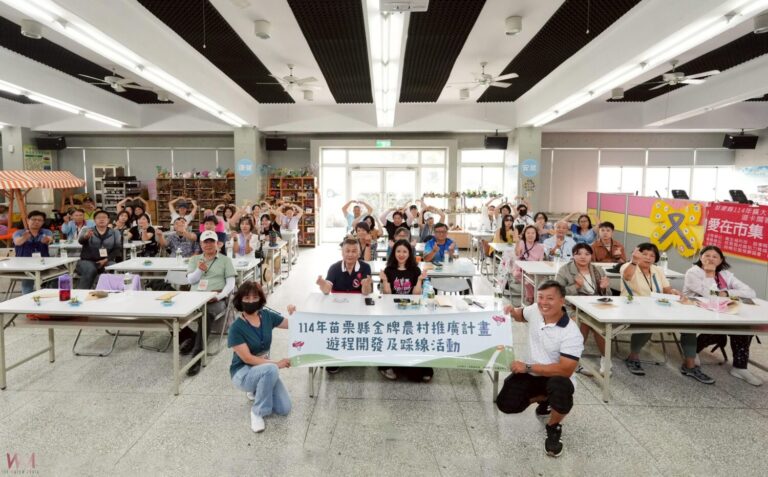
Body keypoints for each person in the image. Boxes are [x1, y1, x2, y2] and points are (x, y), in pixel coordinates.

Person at [496, 281, 583, 458]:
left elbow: (565, 370)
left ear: (562, 301)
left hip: (556, 376)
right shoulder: (536, 310)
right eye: (540, 297)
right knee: (505, 404)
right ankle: (545, 398)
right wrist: (512, 311)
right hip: (531, 374)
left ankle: (553, 426)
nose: (544, 302)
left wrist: (527, 367)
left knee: (560, 388)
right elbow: (521, 315)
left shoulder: (571, 332)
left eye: (550, 298)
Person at [621, 243, 713, 384]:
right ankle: (633, 357)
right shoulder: (628, 266)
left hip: (658, 307)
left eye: (652, 255)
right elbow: (627, 277)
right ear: (636, 254)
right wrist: (634, 261)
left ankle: (690, 365)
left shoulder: (657, 270)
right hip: (634, 307)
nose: (648, 258)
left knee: (689, 326)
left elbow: (666, 289)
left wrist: (673, 292)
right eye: (644, 254)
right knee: (647, 322)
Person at [684, 245, 761, 386]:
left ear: (721, 260)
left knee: (743, 329)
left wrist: (726, 293)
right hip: (698, 311)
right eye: (707, 256)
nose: (711, 259)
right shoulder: (693, 273)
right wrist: (709, 274)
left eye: (715, 257)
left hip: (722, 311)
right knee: (717, 329)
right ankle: (693, 351)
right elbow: (710, 295)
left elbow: (750, 292)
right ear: (700, 257)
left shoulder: (724, 274)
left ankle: (740, 368)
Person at [228, 281, 294, 433]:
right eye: (246, 298)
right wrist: (277, 364)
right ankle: (257, 412)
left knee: (284, 408)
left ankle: (258, 388)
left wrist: (294, 313)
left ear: (260, 299)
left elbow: (292, 324)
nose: (251, 301)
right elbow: (247, 359)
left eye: (255, 297)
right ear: (240, 300)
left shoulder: (267, 316)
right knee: (271, 369)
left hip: (263, 369)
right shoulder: (236, 328)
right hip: (243, 373)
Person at [183, 230, 237, 376]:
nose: (208, 245)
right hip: (194, 298)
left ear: (217, 244)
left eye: (211, 241)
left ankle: (197, 355)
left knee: (206, 314)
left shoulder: (225, 260)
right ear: (201, 244)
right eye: (205, 242)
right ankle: (192, 337)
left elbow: (231, 284)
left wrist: (219, 296)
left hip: (215, 298)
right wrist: (199, 271)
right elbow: (191, 280)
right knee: (173, 313)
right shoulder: (195, 259)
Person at [316, 238, 373, 374]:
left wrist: (366, 285)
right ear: (342, 252)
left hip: (358, 307)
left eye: (354, 251)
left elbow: (366, 292)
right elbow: (327, 290)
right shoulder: (334, 268)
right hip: (338, 307)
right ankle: (334, 358)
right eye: (347, 251)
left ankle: (357, 354)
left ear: (359, 253)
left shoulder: (365, 267)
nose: (350, 254)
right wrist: (322, 283)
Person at [378, 239, 430, 382]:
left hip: (410, 311)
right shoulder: (389, 270)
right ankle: (389, 365)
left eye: (404, 252)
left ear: (409, 253)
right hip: (393, 312)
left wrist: (419, 280)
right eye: (398, 251)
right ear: (394, 253)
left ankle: (414, 364)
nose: (401, 254)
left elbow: (416, 296)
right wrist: (385, 281)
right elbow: (388, 296)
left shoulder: (415, 270)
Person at [555, 243, 611, 374]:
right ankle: (574, 360)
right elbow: (557, 293)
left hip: (595, 307)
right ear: (573, 255)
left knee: (601, 326)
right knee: (584, 322)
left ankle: (605, 359)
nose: (583, 257)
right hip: (571, 306)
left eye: (587, 254)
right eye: (579, 254)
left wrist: (604, 288)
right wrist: (576, 286)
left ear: (591, 256)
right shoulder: (564, 270)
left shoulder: (598, 270)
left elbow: (608, 296)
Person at [76, 210, 122, 289]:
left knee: (114, 268)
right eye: (99, 218)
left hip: (107, 260)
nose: (101, 219)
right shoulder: (87, 230)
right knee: (90, 269)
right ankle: (81, 293)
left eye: (104, 217)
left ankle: (110, 293)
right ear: (94, 220)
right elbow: (81, 241)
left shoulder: (115, 232)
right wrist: (86, 237)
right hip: (87, 261)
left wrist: (106, 260)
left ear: (108, 220)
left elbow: (117, 249)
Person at [13, 211, 54, 295]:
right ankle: (27, 300)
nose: (36, 222)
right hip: (24, 264)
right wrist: (24, 238)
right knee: (27, 282)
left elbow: (49, 239)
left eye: (39, 220)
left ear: (43, 222)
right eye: (34, 219)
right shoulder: (19, 232)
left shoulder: (46, 232)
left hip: (43, 263)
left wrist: (46, 240)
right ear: (28, 220)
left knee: (57, 277)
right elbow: (17, 242)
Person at [511, 225, 546, 303]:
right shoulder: (521, 243)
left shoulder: (540, 247)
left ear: (536, 235)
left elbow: (540, 262)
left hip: (534, 270)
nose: (530, 235)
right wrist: (517, 242)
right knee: (523, 278)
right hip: (520, 269)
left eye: (533, 233)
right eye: (528, 233)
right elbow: (517, 253)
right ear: (525, 234)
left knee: (539, 280)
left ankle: (533, 297)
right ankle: (532, 296)